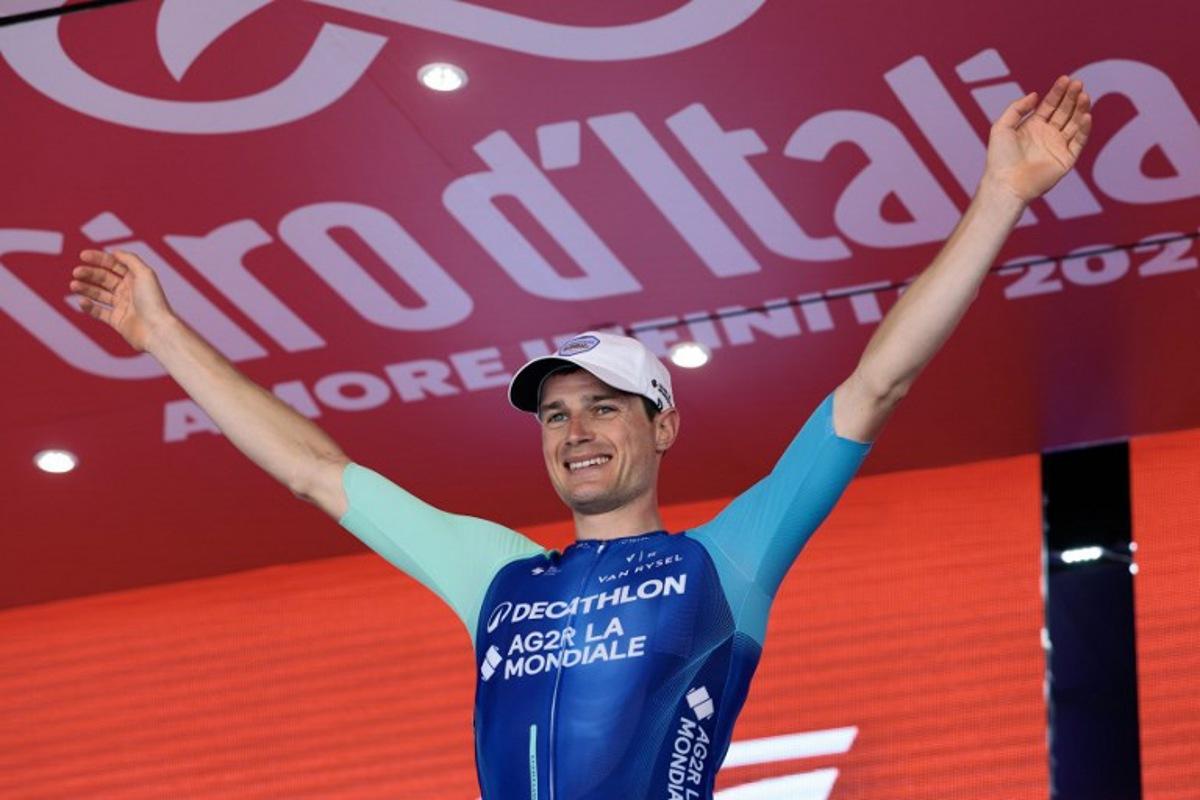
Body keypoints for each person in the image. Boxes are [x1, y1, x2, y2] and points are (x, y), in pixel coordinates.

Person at [69, 77, 1092, 799]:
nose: (576, 430)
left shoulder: (724, 562)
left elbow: (880, 380)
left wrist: (998, 195)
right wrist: (161, 330)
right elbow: (315, 471)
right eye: (556, 412)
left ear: (664, 424)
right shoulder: (498, 574)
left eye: (605, 405)